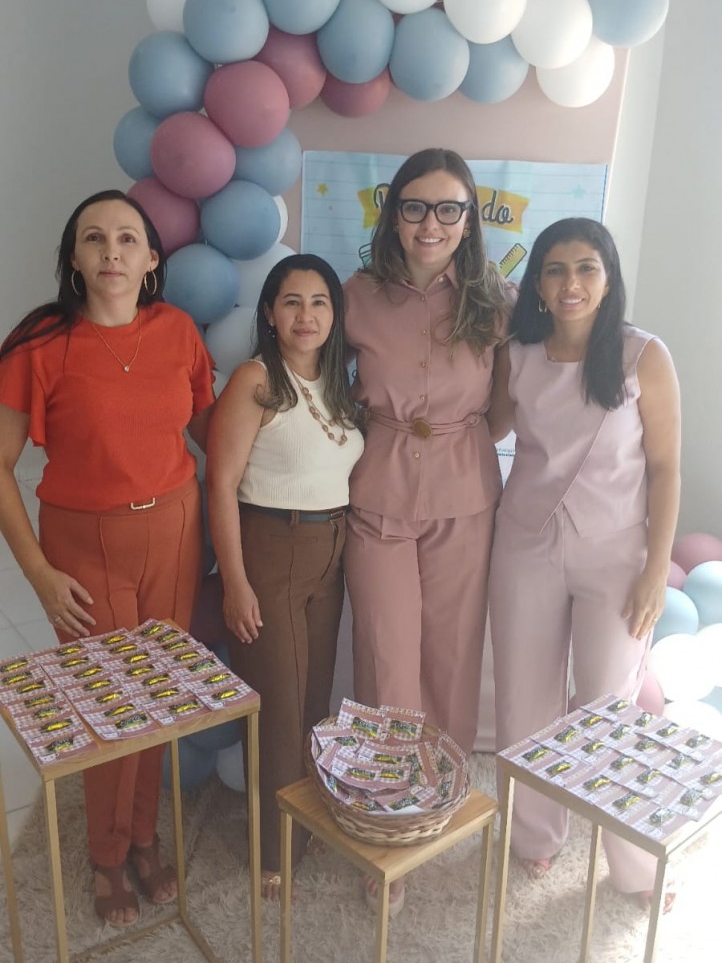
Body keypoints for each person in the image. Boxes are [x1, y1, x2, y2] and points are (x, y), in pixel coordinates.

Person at [0, 190, 215, 927]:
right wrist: (37, 572)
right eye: (94, 238)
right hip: (82, 541)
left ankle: (145, 836)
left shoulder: (178, 330)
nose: (111, 251)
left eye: (127, 238)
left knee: (158, 689)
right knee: (107, 700)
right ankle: (105, 852)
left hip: (176, 529)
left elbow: (209, 427)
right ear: (74, 258)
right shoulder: (39, 344)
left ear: (152, 258)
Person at [487, 217, 681, 909]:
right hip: (525, 544)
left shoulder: (642, 355)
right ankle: (534, 836)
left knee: (609, 707)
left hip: (617, 553)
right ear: (538, 284)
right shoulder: (518, 355)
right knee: (524, 701)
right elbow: (487, 427)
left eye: (586, 268)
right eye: (556, 269)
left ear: (607, 278)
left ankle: (635, 865)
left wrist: (656, 570)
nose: (571, 283)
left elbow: (665, 468)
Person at [343, 148, 512, 914]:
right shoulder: (356, 296)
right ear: (394, 214)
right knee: (386, 660)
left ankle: (437, 804)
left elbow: (503, 410)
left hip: (464, 492)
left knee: (450, 659)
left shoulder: (495, 301)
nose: (431, 224)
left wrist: (452, 434)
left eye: (449, 209)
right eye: (415, 206)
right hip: (377, 489)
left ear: (469, 220)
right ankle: (388, 825)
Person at [206, 254, 363, 900]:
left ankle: (303, 820)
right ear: (270, 313)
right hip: (271, 547)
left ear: (335, 315)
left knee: (313, 701)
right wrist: (235, 582)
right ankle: (274, 851)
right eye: (292, 301)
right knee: (279, 708)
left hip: (331, 549)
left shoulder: (339, 384)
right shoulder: (256, 378)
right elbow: (219, 483)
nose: (306, 315)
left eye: (319, 301)